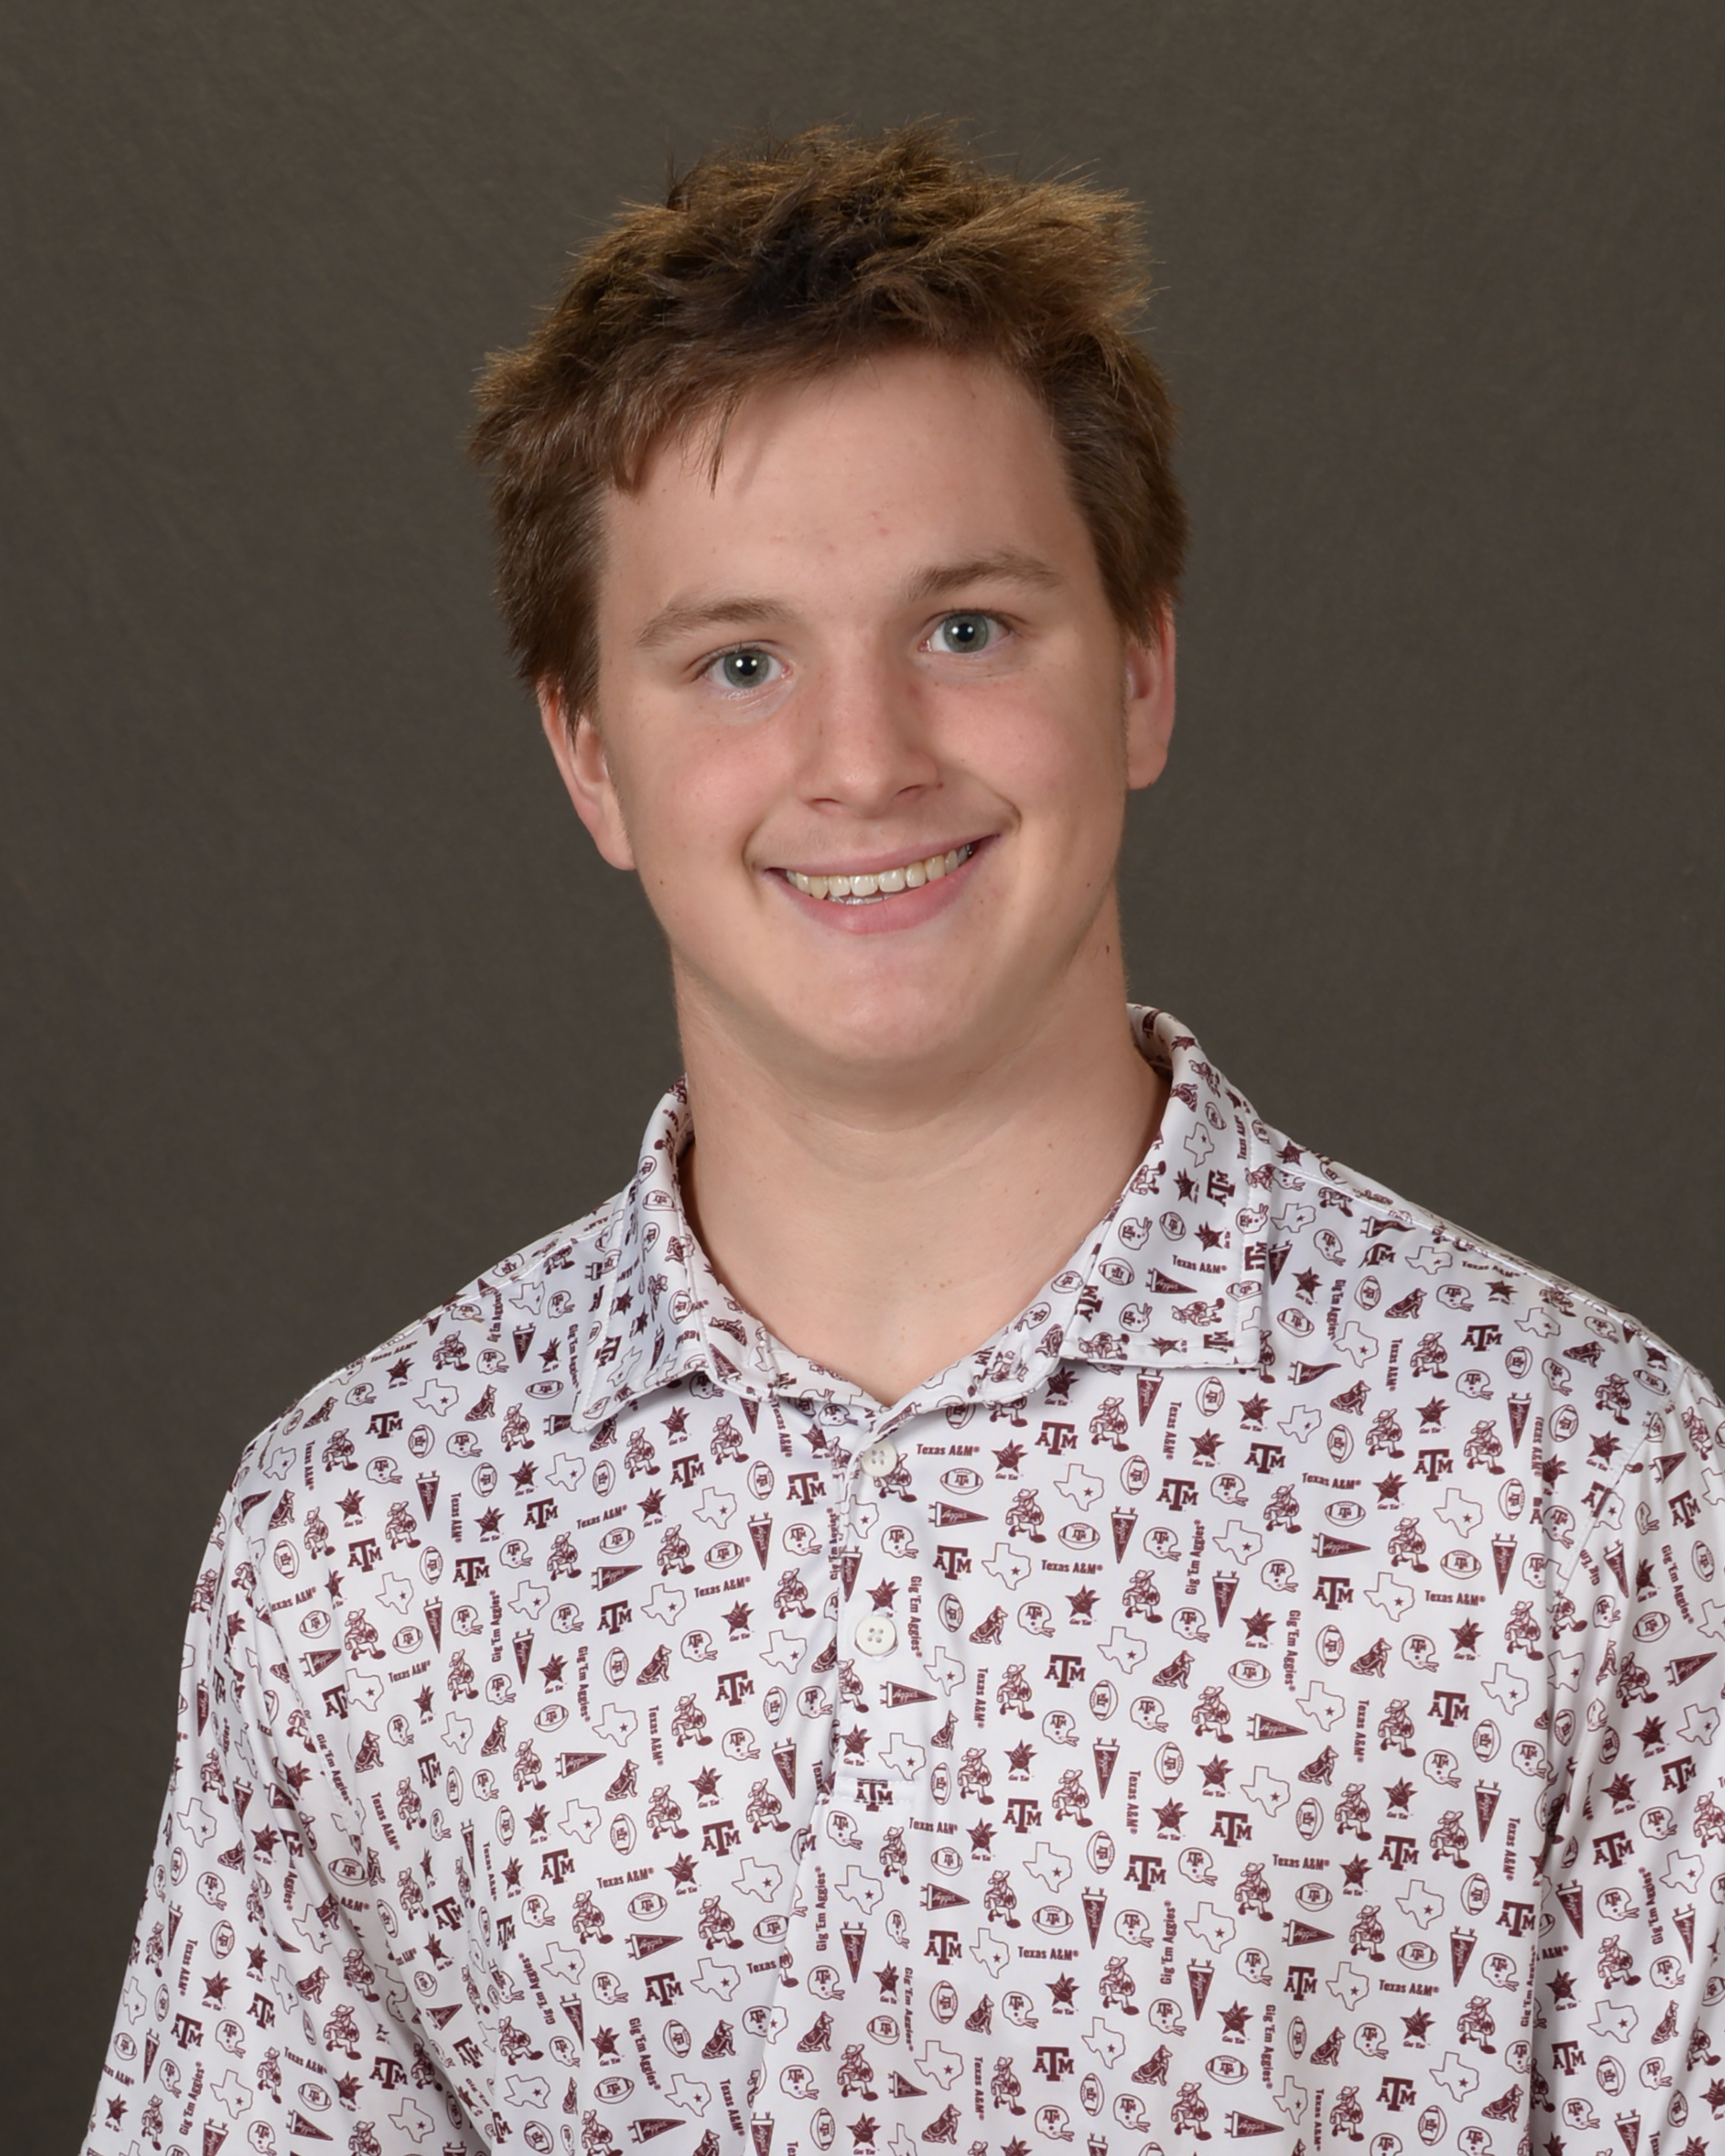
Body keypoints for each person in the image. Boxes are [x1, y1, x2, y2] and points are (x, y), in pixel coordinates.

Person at [87, 123, 1724, 2156]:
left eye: (966, 628)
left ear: (1142, 670)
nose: (862, 761)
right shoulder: (360, 1550)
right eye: (740, 662)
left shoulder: (1572, 1489)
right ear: (589, 758)